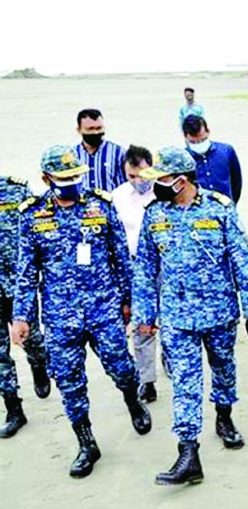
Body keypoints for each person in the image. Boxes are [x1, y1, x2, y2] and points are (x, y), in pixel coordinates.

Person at [12, 145, 151, 478]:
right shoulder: (32, 216)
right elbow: (26, 272)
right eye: (64, 178)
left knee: (121, 366)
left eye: (76, 175)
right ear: (46, 179)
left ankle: (132, 399)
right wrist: (20, 316)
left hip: (104, 308)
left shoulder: (100, 206)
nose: (72, 182)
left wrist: (130, 300)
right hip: (61, 317)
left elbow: (121, 257)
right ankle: (86, 442)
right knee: (69, 381)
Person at [133, 147, 248, 486]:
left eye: (161, 179)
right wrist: (144, 313)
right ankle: (188, 452)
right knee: (185, 382)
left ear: (181, 181)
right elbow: (146, 268)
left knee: (223, 368)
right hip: (176, 316)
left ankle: (224, 417)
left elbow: (242, 259)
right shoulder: (155, 215)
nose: (155, 185)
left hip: (219, 311)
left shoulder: (219, 208)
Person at [0, 175, 50, 439]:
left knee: (31, 338)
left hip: (16, 285)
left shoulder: (14, 190)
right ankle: (14, 408)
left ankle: (38, 363)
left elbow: (38, 225)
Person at [111, 145, 158, 402]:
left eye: (141, 174)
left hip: (164, 266)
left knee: (171, 322)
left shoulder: (164, 192)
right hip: (134, 268)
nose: (138, 180)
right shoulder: (117, 197)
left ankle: (171, 361)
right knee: (142, 325)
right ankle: (147, 380)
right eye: (132, 176)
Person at [182, 115, 243, 203]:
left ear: (208, 132)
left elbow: (236, 182)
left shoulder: (226, 151)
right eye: (193, 142)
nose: (198, 144)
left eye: (202, 140)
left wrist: (231, 203)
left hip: (225, 208)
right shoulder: (183, 159)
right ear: (185, 137)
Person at [74, 109, 126, 192]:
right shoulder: (72, 155)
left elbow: (127, 185)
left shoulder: (119, 153)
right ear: (79, 130)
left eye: (99, 128)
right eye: (90, 129)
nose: (95, 132)